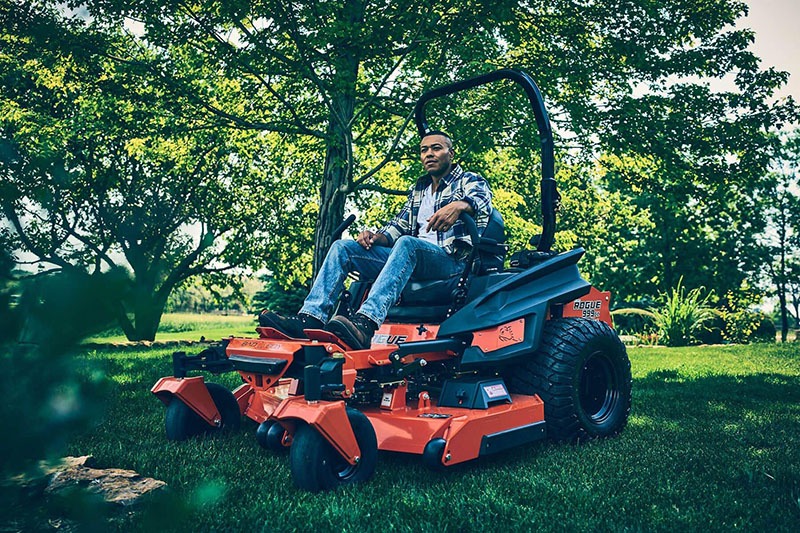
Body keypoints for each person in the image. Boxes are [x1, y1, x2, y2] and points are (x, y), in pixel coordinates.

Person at [260, 131, 493, 349]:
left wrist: (459, 205)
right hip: (412, 259)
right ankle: (310, 318)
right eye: (424, 150)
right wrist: (375, 237)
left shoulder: (467, 180)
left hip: (451, 262)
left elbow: (482, 198)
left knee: (407, 244)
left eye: (436, 148)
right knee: (343, 247)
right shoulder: (420, 189)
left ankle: (366, 323)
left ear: (450, 154)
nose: (429, 154)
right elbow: (397, 228)